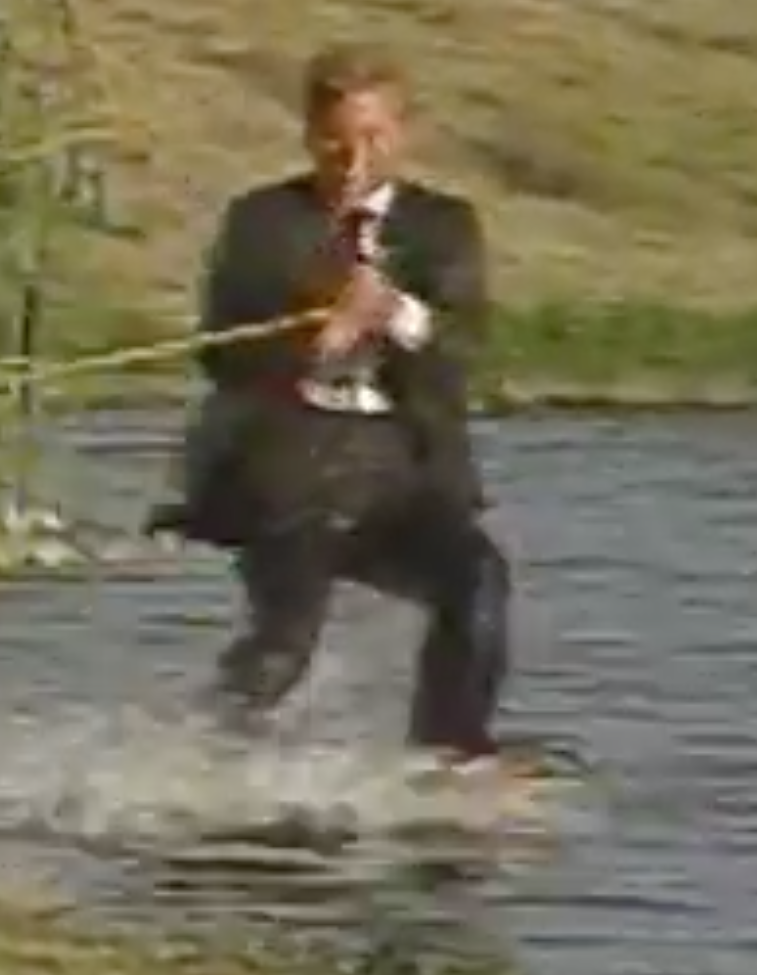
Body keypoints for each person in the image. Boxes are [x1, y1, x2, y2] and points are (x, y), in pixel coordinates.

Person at [148, 42, 509, 765]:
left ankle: (450, 753)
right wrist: (315, 336)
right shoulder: (262, 222)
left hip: (400, 469)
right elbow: (221, 355)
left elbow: (463, 347)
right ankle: (194, 755)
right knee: (288, 638)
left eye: (374, 139)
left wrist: (394, 313)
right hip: (288, 466)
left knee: (478, 584)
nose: (354, 162)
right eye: (336, 143)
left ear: (403, 133)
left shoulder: (443, 226)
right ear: (310, 137)